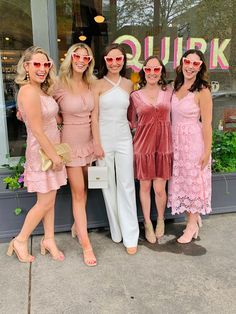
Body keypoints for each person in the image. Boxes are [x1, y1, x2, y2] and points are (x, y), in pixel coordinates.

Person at [7, 46, 67, 262]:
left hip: (50, 147)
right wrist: (55, 157)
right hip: (42, 151)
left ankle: (49, 239)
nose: (42, 69)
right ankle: (21, 240)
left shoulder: (41, 89)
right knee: (45, 201)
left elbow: (42, 118)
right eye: (37, 64)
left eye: (46, 64)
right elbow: (38, 130)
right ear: (27, 66)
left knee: (49, 198)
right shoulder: (29, 90)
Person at [53, 43, 102, 266]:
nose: (81, 61)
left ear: (90, 62)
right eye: (78, 56)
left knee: (86, 187)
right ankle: (86, 245)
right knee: (78, 193)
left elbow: (95, 119)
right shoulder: (59, 84)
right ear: (70, 58)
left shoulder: (91, 84)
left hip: (89, 144)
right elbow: (46, 107)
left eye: (86, 58)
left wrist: (98, 144)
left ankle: (77, 225)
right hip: (70, 145)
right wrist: (56, 120)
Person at [93, 43, 139, 254]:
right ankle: (116, 231)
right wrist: (96, 143)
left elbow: (132, 113)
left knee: (126, 185)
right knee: (106, 185)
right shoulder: (96, 84)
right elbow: (93, 116)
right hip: (103, 139)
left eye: (118, 59)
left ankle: (131, 235)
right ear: (104, 61)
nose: (114, 63)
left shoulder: (129, 84)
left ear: (123, 61)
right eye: (110, 59)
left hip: (123, 139)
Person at [168, 49, 212, 243]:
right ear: (182, 62)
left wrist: (207, 150)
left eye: (196, 64)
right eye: (188, 61)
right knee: (181, 181)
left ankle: (192, 225)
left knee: (193, 182)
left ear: (200, 67)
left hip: (193, 142)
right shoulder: (175, 86)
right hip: (175, 141)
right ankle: (192, 216)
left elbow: (208, 124)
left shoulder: (202, 91)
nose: (191, 67)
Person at [128, 56, 173, 243]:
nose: (152, 73)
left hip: (164, 146)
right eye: (149, 69)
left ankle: (160, 219)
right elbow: (131, 122)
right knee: (145, 186)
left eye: (156, 69)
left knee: (160, 188)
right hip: (143, 147)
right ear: (143, 72)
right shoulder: (135, 96)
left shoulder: (168, 92)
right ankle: (147, 223)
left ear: (161, 71)